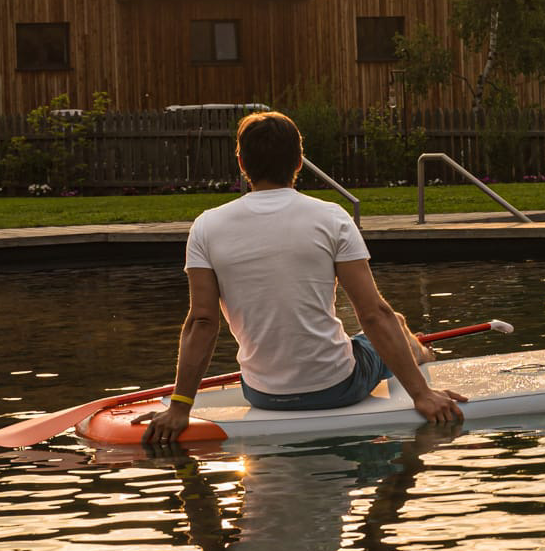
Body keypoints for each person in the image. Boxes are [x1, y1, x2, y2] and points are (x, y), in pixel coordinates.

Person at [145, 110, 465, 445]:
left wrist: (181, 407)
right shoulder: (332, 218)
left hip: (262, 394)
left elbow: (202, 321)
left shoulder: (206, 227)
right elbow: (373, 314)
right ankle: (421, 354)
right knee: (394, 320)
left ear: (241, 163)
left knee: (385, 326)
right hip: (338, 387)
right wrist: (421, 394)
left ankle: (415, 347)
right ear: (299, 162)